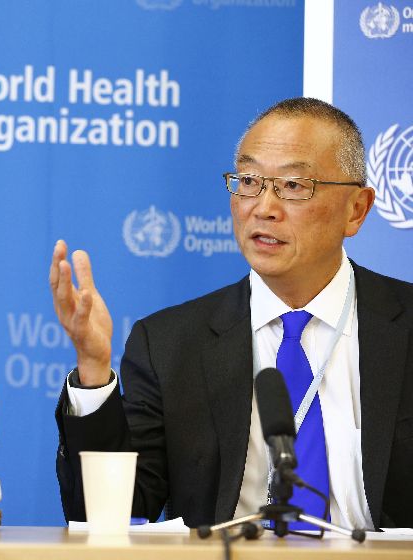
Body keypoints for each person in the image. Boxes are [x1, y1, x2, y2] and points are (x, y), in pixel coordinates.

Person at [50, 97, 413, 530]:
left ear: (356, 209)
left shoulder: (402, 325)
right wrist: (93, 370)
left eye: (294, 185)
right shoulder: (170, 343)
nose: (263, 207)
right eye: (248, 181)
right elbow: (108, 512)